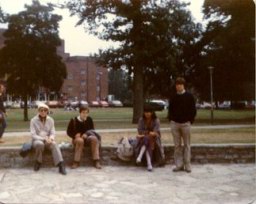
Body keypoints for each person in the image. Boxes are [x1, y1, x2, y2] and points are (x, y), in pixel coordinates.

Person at [168, 77, 196, 173]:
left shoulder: (189, 96)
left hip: (185, 124)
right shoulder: (173, 97)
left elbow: (193, 110)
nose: (178, 86)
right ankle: (179, 165)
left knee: (187, 145)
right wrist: (171, 119)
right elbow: (170, 109)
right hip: (175, 124)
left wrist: (190, 120)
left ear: (183, 85)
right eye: (176, 84)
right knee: (177, 146)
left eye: (180, 84)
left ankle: (187, 165)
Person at [30, 103, 67, 175]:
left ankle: (60, 164)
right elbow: (33, 135)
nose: (43, 112)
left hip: (48, 140)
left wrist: (51, 138)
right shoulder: (33, 120)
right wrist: (44, 139)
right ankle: (38, 162)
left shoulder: (51, 120)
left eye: (45, 110)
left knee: (54, 144)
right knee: (39, 144)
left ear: (47, 111)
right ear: (38, 111)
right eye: (41, 110)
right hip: (37, 140)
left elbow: (53, 132)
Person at [135, 107, 165, 171]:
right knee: (147, 139)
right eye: (146, 112)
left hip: (154, 138)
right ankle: (149, 164)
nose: (147, 114)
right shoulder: (141, 120)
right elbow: (140, 130)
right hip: (143, 138)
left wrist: (147, 133)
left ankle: (140, 156)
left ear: (152, 113)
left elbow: (155, 132)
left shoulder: (156, 120)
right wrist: (148, 133)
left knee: (148, 139)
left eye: (149, 112)